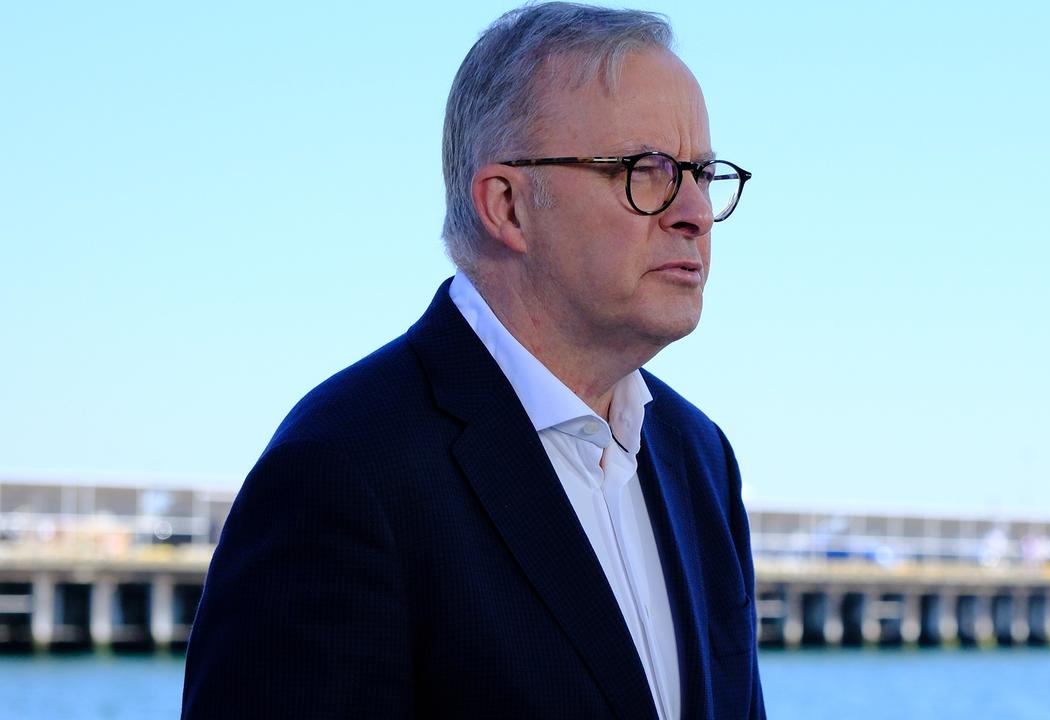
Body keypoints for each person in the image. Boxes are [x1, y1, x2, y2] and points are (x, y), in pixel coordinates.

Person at [180, 3, 763, 719]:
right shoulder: (343, 471)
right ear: (509, 206)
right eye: (648, 172)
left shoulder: (698, 456)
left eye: (703, 173)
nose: (695, 212)